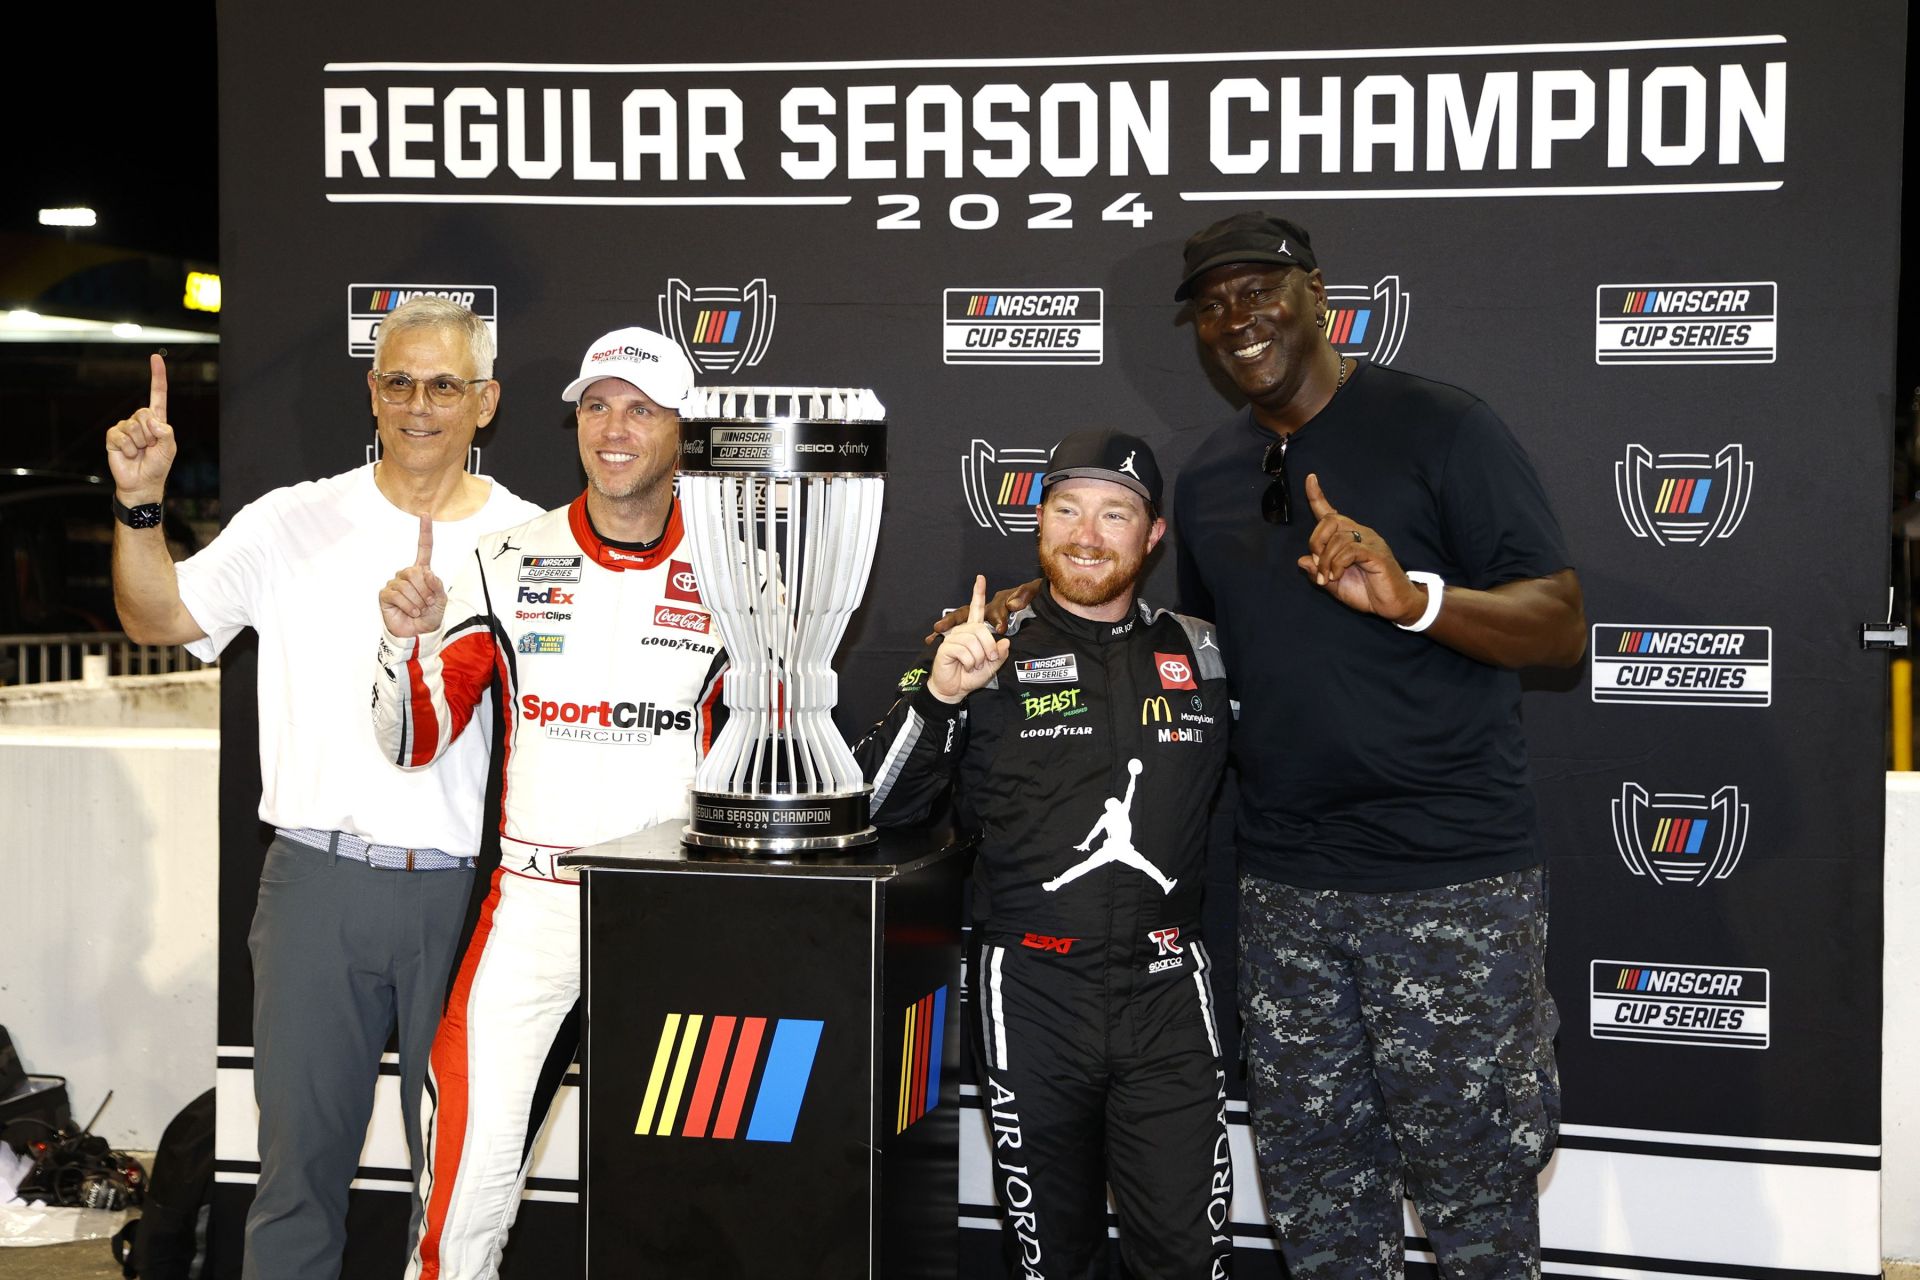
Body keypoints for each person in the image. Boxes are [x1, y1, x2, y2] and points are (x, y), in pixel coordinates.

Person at [1173, 211, 1585, 1278]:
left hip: (1449, 880)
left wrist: (1415, 600)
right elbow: (1202, 648)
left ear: (1318, 292)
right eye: (1213, 305)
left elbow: (1559, 621)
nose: (1238, 319)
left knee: (1477, 1199)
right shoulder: (1211, 472)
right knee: (1317, 1198)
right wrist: (1053, 603)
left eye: (1259, 289)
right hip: (1285, 887)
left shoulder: (1440, 425)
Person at [106, 296, 543, 1280]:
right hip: (316, 885)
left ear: (486, 401)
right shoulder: (291, 521)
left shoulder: (531, 541)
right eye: (399, 381)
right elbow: (158, 615)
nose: (418, 405)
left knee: (461, 1192)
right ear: (371, 390)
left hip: (470, 901)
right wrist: (140, 504)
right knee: (295, 1182)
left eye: (444, 385)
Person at [372, 325, 725, 1280]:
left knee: (693, 1178)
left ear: (681, 428)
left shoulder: (742, 570)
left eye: (641, 408)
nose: (615, 428)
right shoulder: (505, 558)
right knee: (469, 1172)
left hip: (676, 913)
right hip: (532, 902)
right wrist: (402, 646)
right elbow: (415, 737)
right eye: (597, 405)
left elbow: (774, 754)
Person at [859, 430, 1235, 1279]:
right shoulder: (981, 646)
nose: (1088, 534)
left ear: (1153, 536)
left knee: (1188, 1258)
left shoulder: (1201, 651)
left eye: (1115, 513)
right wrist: (943, 693)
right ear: (1039, 522)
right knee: (1052, 1262)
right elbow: (879, 808)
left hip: (1169, 994)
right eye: (1066, 509)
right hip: (1032, 993)